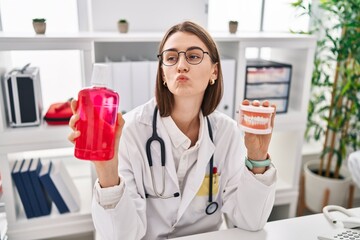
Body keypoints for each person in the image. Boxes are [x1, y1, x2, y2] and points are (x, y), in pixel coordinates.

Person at [68, 20, 277, 240]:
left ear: (214, 71)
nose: (181, 65)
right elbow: (120, 236)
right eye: (171, 58)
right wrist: (107, 172)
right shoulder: (129, 132)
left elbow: (250, 221)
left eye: (194, 56)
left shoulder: (227, 132)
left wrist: (257, 157)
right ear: (162, 74)